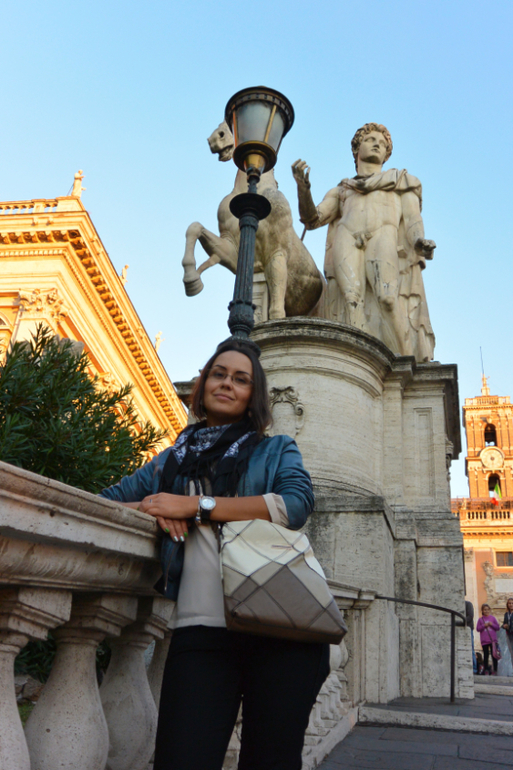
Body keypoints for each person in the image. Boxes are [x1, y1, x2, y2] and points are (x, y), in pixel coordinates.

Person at [99, 338, 329, 770]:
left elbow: (295, 505)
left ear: (253, 396)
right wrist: (156, 506)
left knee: (270, 762)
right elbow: (103, 503)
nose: (227, 383)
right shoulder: (169, 461)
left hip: (283, 630)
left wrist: (195, 506)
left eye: (241, 379)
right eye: (218, 374)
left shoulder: (275, 449)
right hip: (200, 630)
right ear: (203, 384)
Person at [292, 123, 435, 361]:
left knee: (388, 299)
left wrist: (419, 241)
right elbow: (312, 219)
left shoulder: (401, 182)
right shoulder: (343, 190)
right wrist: (303, 190)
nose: (377, 144)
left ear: (387, 153)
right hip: (347, 236)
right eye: (370, 140)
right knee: (351, 302)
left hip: (382, 235)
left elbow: (412, 220)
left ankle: (409, 363)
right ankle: (361, 364)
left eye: (383, 143)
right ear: (357, 149)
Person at [476, 604, 500, 675]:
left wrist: (492, 624)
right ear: (482, 611)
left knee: (494, 656)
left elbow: (497, 627)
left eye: (487, 609)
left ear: (489, 610)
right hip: (484, 641)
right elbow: (478, 629)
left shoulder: (493, 618)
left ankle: (495, 670)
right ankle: (486, 670)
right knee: (486, 655)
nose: (486, 611)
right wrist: (484, 625)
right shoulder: (480, 620)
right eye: (485, 610)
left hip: (492, 641)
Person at [465, 600, 477, 674]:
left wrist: (461, 621)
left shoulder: (468, 604)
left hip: (468, 628)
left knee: (471, 648)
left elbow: (470, 616)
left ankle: (474, 668)